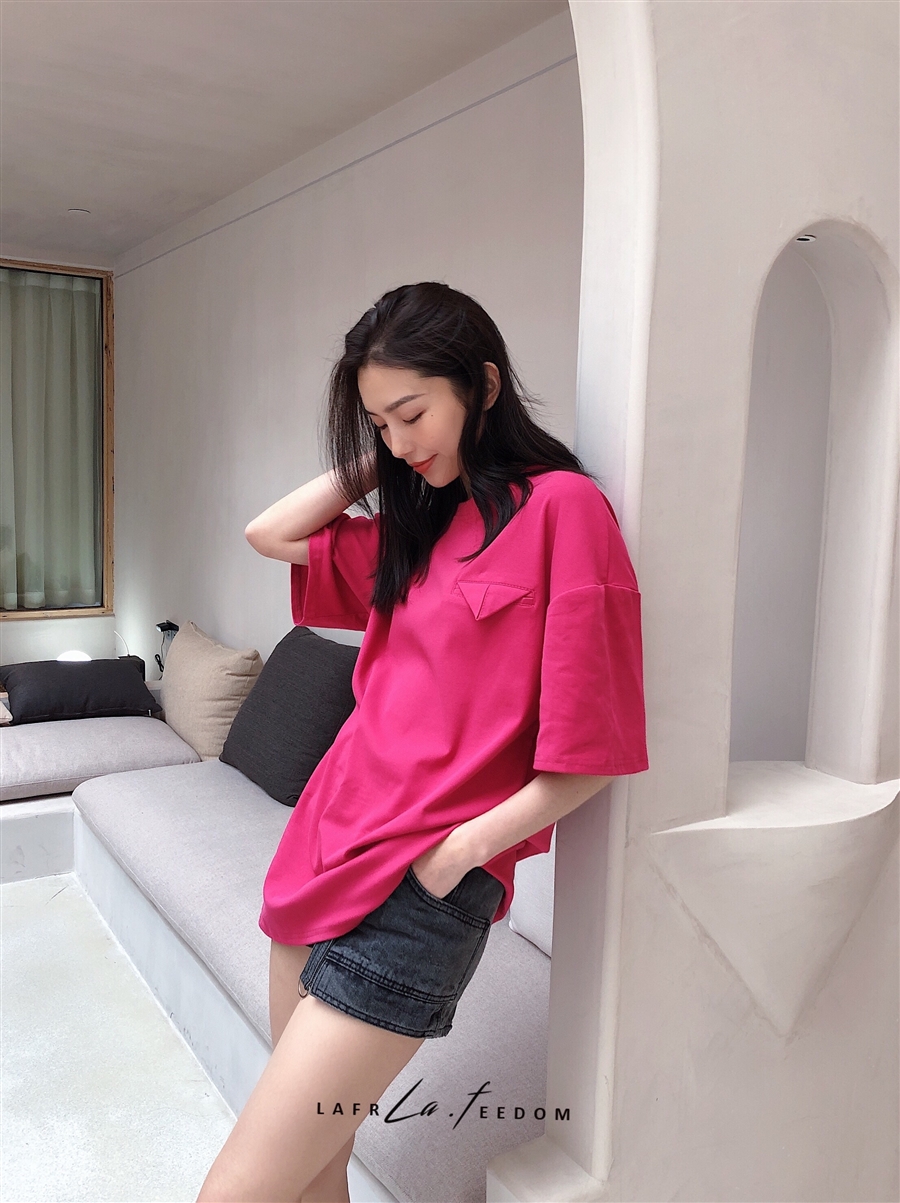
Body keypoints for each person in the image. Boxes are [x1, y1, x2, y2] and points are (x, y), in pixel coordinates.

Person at [197, 282, 649, 1203]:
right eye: (379, 423)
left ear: (484, 385)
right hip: (319, 852)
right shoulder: (420, 526)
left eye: (413, 413)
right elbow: (269, 532)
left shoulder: (565, 511)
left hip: (416, 893)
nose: (401, 442)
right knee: (317, 1169)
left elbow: (594, 752)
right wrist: (388, 455)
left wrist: (460, 854)